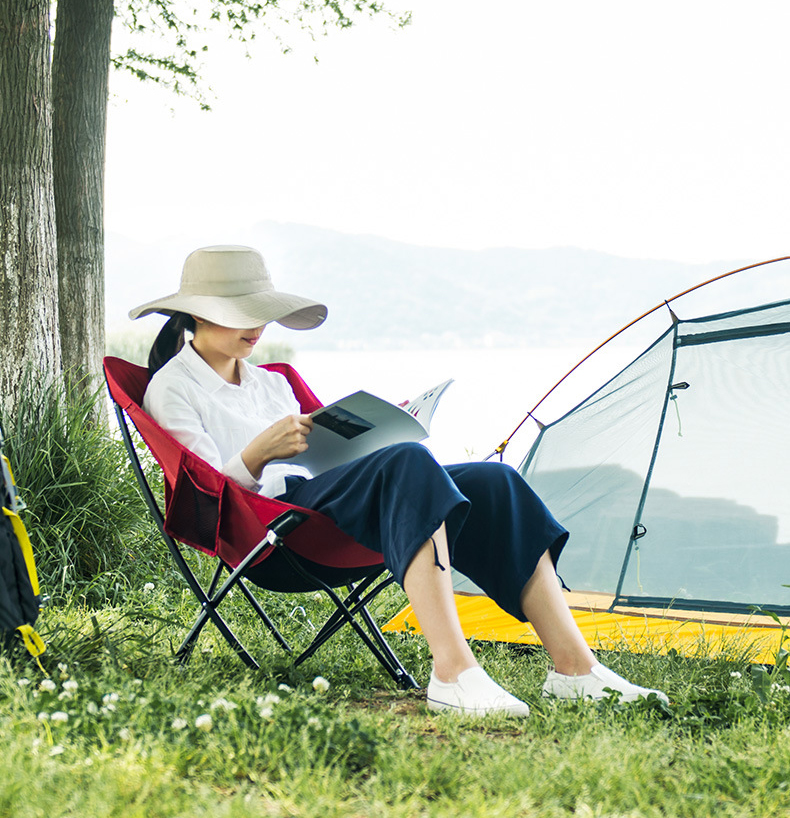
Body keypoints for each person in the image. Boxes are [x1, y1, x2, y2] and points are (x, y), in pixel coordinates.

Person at [130, 245, 668, 716]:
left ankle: (575, 671)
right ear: (195, 316)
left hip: (331, 507)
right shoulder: (173, 388)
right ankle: (453, 672)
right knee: (408, 464)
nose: (258, 326)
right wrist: (255, 453)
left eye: (261, 314)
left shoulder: (273, 383)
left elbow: (328, 458)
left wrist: (375, 433)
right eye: (242, 313)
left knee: (495, 483)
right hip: (273, 531)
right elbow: (201, 498)